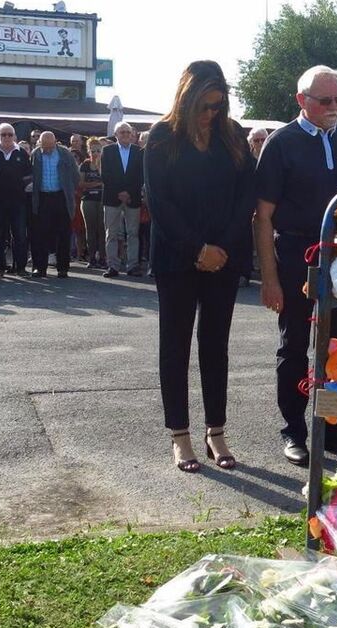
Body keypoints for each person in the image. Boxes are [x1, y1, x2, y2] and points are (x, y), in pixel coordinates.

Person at [254, 64, 337, 466]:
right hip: (296, 259)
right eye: (326, 100)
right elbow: (263, 216)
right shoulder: (281, 143)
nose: (334, 107)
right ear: (302, 100)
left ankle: (335, 429)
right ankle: (294, 431)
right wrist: (269, 279)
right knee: (294, 347)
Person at [146, 60, 256, 473]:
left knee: (216, 346)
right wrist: (197, 249)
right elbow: (159, 201)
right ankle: (180, 435)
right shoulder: (162, 137)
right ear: (188, 97)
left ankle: (216, 431)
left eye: (219, 104)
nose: (212, 113)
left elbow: (247, 193)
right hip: (177, 258)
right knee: (174, 347)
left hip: (223, 258)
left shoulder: (233, 136)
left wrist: (221, 247)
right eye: (206, 105)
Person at [30, 131, 80, 278]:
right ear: (40, 143)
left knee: (63, 234)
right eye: (44, 146)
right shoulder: (35, 154)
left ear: (55, 142)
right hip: (43, 197)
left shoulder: (65, 154)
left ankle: (63, 268)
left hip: (61, 197)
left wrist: (69, 190)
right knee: (41, 234)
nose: (47, 149)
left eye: (50, 146)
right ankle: (40, 268)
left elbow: (75, 176)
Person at [100, 122, 145, 277]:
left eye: (128, 132)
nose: (126, 135)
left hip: (132, 198)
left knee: (133, 233)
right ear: (116, 134)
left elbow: (141, 176)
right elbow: (106, 174)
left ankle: (132, 265)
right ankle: (113, 265)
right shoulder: (107, 150)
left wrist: (129, 193)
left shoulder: (139, 151)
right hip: (112, 197)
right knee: (111, 233)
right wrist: (120, 192)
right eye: (122, 132)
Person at [0, 122, 32, 276]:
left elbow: (29, 176)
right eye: (4, 134)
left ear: (15, 136)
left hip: (18, 202)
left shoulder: (22, 153)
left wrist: (23, 189)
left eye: (10, 134)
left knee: (20, 236)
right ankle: (0, 267)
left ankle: (20, 267)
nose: (7, 137)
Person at [79, 136, 105, 270]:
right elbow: (81, 184)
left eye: (98, 151)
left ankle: (102, 257)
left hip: (102, 200)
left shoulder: (106, 164)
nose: (95, 154)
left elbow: (108, 182)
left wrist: (100, 167)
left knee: (102, 229)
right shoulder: (84, 165)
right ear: (89, 151)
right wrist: (96, 183)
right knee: (90, 229)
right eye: (93, 151)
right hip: (88, 200)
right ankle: (91, 257)